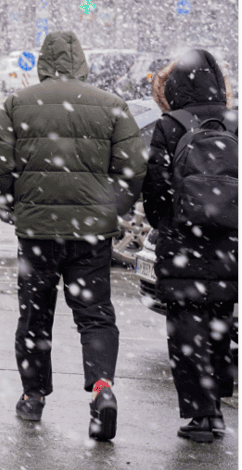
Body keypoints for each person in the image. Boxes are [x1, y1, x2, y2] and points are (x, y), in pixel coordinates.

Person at [0, 31, 145, 442]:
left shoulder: (19, 103)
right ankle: (102, 388)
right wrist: (112, 209)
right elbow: (134, 169)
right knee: (96, 315)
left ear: (42, 62)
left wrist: (14, 201)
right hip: (92, 234)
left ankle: (34, 396)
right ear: (82, 63)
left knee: (35, 315)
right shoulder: (111, 105)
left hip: (37, 230)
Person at [140, 49, 238, 443]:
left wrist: (167, 222)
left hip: (183, 244)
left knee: (185, 329)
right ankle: (215, 408)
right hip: (229, 246)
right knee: (220, 324)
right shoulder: (234, 123)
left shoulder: (170, 124)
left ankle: (198, 414)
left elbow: (156, 189)